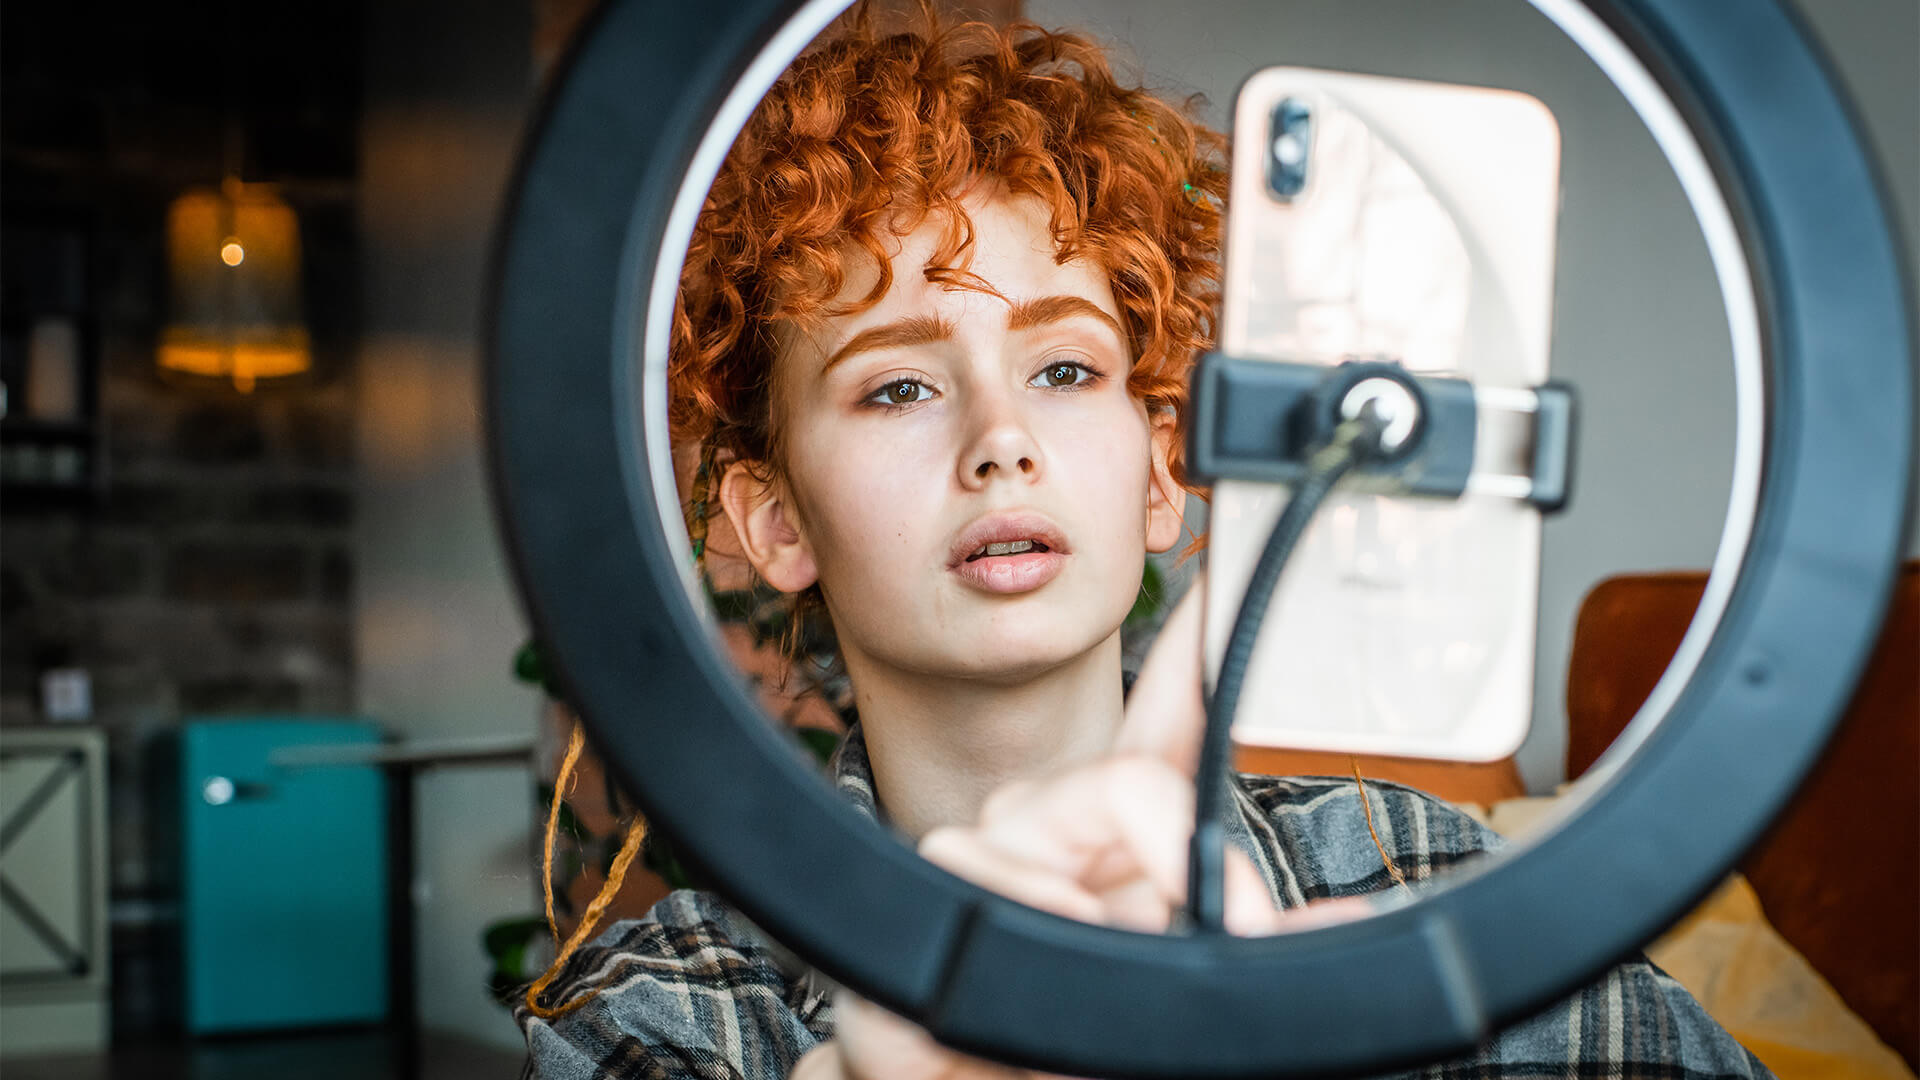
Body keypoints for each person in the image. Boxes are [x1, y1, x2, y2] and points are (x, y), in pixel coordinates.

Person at [516, 8, 1771, 1079]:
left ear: (1164, 471)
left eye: (1065, 366)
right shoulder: (669, 1012)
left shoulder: (1414, 878)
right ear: (775, 520)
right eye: (898, 387)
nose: (1002, 440)